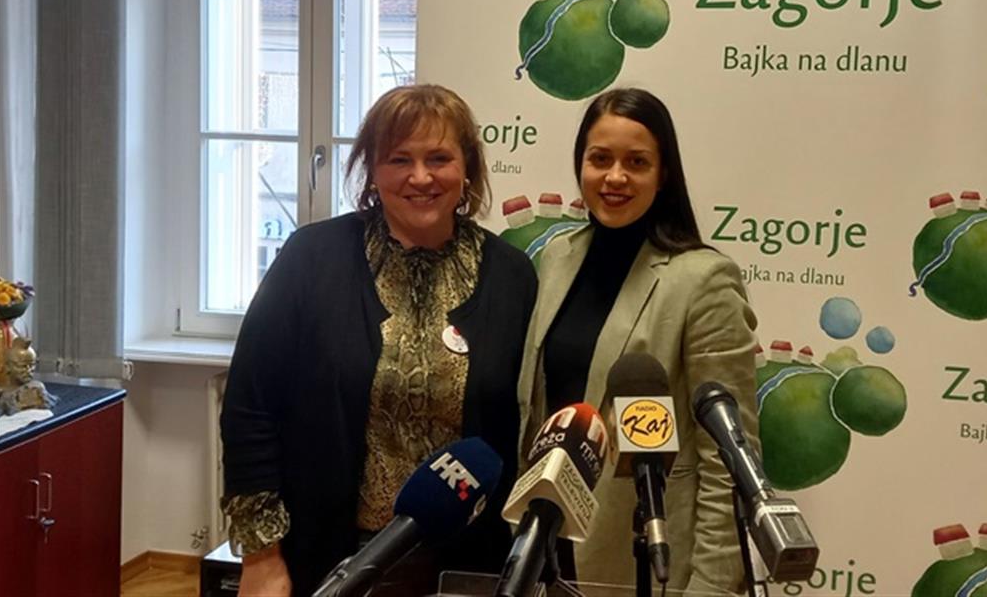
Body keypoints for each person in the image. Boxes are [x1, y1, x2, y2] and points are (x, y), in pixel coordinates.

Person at [221, 84, 538, 597]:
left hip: (467, 565)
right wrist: (262, 554)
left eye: (439, 158)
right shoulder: (310, 259)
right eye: (399, 159)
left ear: (468, 168)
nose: (420, 177)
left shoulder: (512, 276)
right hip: (328, 558)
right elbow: (250, 408)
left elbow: (518, 426)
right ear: (372, 170)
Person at [515, 87, 759, 593]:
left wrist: (712, 586)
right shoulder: (558, 257)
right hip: (546, 553)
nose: (615, 177)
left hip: (646, 562)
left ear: (663, 173)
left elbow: (729, 458)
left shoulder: (704, 280)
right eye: (600, 159)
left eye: (637, 162)